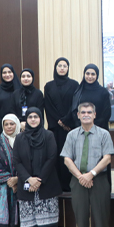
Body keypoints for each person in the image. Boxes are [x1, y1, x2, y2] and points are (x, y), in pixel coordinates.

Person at [61, 102, 114, 227]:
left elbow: (107, 158)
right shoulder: (71, 135)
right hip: (78, 181)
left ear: (94, 115)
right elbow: (67, 159)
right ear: (78, 115)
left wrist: (91, 174)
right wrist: (81, 177)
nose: (86, 115)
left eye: (89, 112)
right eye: (83, 112)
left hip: (99, 180)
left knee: (101, 219)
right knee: (81, 219)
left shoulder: (104, 134)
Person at [12, 107, 61, 227]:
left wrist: (39, 180)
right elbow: (17, 161)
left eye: (36, 117)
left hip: (47, 185)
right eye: (30, 117)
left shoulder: (48, 135)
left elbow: (52, 157)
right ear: (26, 120)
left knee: (49, 224)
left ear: (41, 118)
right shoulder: (20, 138)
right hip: (27, 186)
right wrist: (29, 179)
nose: (33, 119)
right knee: (30, 225)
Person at [43, 57, 78, 190]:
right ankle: (57, 186)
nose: (62, 68)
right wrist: (60, 122)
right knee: (55, 155)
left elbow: (75, 104)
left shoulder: (74, 84)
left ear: (68, 68)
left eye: (65, 66)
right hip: (55, 129)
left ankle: (70, 185)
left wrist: (66, 120)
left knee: (70, 155)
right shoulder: (49, 86)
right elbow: (48, 106)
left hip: (70, 128)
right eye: (60, 65)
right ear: (55, 68)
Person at [69, 64, 112, 131]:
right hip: (81, 129)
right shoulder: (79, 91)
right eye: (87, 74)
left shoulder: (103, 92)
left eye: (93, 74)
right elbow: (74, 110)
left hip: (100, 129)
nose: (90, 76)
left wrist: (92, 126)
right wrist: (82, 125)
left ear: (97, 75)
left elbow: (106, 113)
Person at [0, 64, 18, 137]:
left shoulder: (19, 89)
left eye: (9, 72)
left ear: (13, 73)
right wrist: (4, 126)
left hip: (17, 128)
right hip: (0, 128)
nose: (7, 75)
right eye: (4, 72)